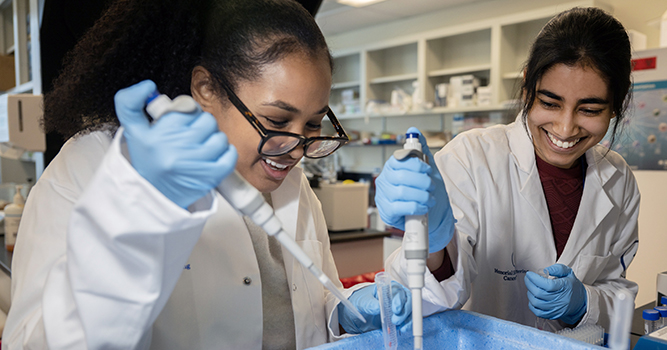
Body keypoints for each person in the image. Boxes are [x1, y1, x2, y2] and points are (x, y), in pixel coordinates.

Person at [3, 0, 411, 349]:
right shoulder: (90, 166)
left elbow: (297, 306)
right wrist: (140, 211)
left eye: (313, 124)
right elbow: (40, 341)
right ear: (206, 88)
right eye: (276, 119)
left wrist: (344, 315)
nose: (297, 149)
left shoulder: (292, 182)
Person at [375, 6, 640, 332]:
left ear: (615, 105)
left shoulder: (619, 180)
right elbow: (427, 298)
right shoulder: (471, 157)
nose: (566, 127)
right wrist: (435, 244)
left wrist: (584, 303)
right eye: (550, 103)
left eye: (589, 109)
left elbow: (617, 291)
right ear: (528, 86)